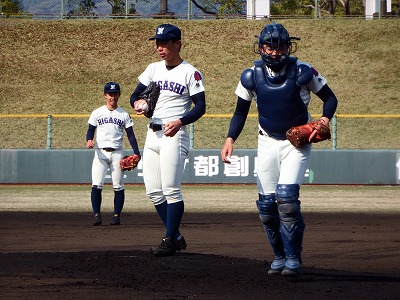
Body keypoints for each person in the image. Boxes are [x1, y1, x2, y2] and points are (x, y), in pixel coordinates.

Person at [221, 22, 338, 276]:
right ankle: (279, 256)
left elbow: (330, 98)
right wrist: (230, 139)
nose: (275, 52)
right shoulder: (251, 75)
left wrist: (324, 119)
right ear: (261, 47)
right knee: (266, 207)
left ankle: (293, 259)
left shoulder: (303, 71)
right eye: (270, 46)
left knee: (287, 201)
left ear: (288, 46)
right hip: (266, 142)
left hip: (296, 143)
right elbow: (240, 112)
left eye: (280, 46)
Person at [130, 24, 206, 256]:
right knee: (153, 191)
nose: (159, 48)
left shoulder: (190, 72)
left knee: (171, 190)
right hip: (152, 135)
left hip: (174, 135)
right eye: (157, 43)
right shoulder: (153, 69)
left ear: (178, 44)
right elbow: (135, 95)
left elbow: (201, 107)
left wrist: (181, 121)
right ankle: (176, 236)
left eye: (164, 43)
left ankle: (168, 239)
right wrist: (139, 103)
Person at [86, 82, 141, 226]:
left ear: (119, 95)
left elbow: (131, 135)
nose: (113, 97)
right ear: (105, 95)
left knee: (118, 185)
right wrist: (89, 140)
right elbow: (91, 129)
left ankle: (116, 215)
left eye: (115, 94)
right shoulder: (97, 112)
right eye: (110, 94)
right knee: (96, 184)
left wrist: (137, 153)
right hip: (100, 153)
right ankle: (97, 214)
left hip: (117, 153)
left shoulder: (123, 114)